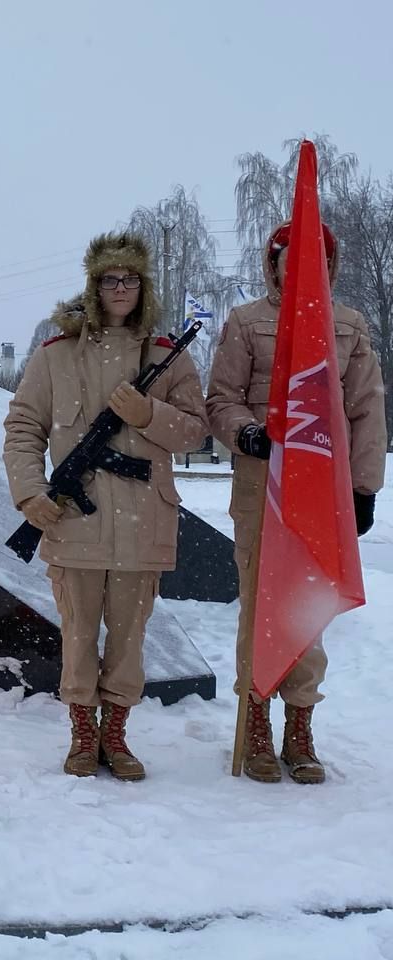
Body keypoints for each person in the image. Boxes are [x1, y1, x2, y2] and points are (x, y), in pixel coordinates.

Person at [3, 232, 207, 780]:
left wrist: (146, 414)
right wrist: (30, 492)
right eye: (111, 279)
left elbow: (195, 431)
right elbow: (23, 427)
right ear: (95, 286)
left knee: (129, 637)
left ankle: (116, 737)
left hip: (144, 524)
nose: (122, 289)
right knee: (77, 635)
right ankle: (82, 735)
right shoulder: (56, 356)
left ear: (144, 287)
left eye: (131, 279)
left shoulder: (166, 357)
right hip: (75, 522)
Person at [206, 220, 386, 784]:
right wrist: (247, 433)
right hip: (261, 489)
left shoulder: (349, 327)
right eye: (291, 256)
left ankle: (299, 726)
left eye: (315, 257)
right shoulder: (247, 322)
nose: (302, 265)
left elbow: (365, 413)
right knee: (261, 602)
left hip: (318, 494)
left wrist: (362, 489)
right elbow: (220, 400)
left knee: (308, 607)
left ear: (329, 265)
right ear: (274, 262)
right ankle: (255, 717)